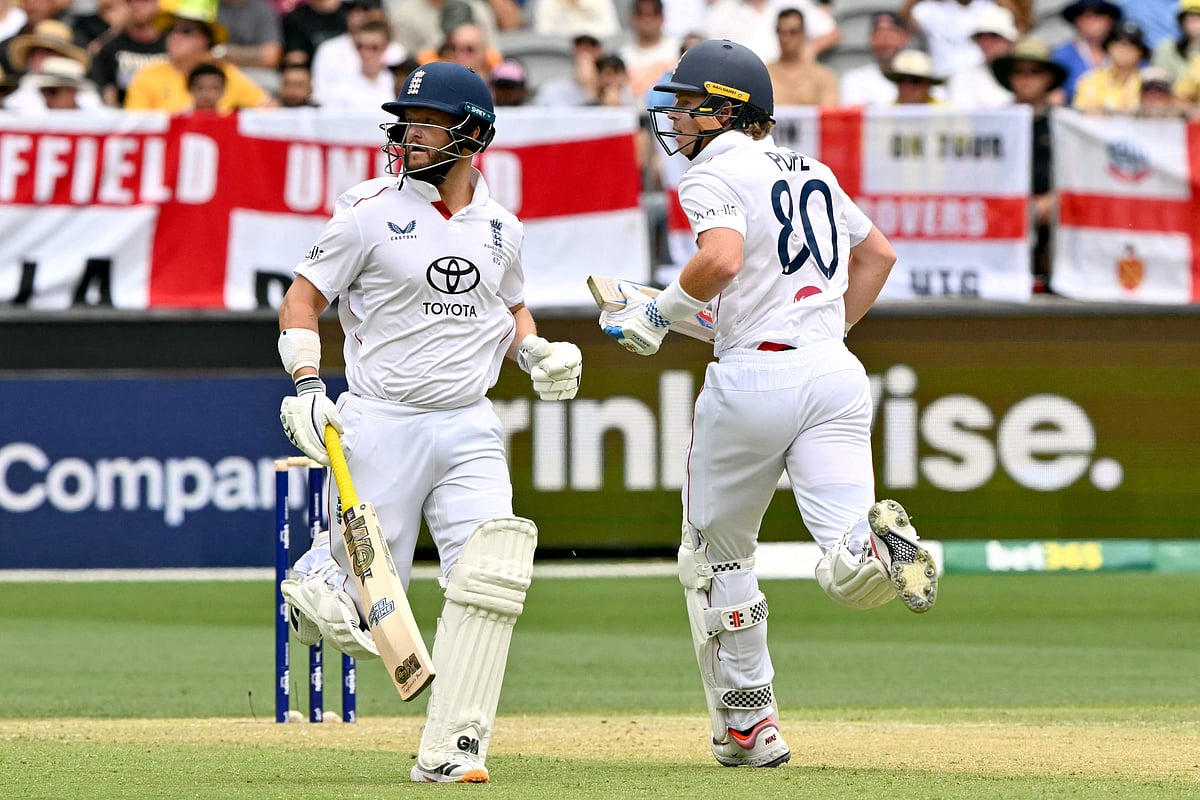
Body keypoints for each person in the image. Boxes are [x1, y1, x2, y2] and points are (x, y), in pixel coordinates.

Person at [602, 38, 938, 769]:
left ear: (727, 110)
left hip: (753, 380)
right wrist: (824, 327)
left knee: (716, 557)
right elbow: (878, 253)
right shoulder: (812, 166)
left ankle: (752, 724)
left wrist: (657, 318)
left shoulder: (715, 172)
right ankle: (878, 546)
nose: (678, 121)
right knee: (846, 562)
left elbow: (721, 259)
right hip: (834, 370)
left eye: (690, 107)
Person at [275, 60, 582, 784]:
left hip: (469, 426)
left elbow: (506, 307)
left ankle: (453, 748)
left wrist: (534, 351)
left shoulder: (503, 227)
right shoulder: (366, 209)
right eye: (406, 124)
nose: (408, 137)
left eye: (427, 125)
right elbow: (300, 302)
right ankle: (317, 575)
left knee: (490, 581)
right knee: (355, 602)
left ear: (473, 134)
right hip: (381, 421)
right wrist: (308, 384)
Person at [990, 37, 1067, 291]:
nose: (1026, 78)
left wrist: (1054, 200)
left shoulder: (1064, 123)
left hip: (1052, 215)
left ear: (1048, 79)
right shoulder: (994, 123)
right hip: (1001, 214)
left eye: (1035, 72)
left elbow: (1078, 173)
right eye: (1020, 72)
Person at [123, 0, 270, 111]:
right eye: (171, 30)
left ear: (205, 39)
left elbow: (268, 108)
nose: (175, 36)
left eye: (186, 31)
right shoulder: (148, 75)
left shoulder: (226, 73)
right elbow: (135, 126)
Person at [90, 0, 168, 106]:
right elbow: (107, 90)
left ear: (157, 5)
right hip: (124, 115)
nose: (137, 6)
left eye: (144, 1)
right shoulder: (111, 48)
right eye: (131, 1)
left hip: (166, 112)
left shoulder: (171, 45)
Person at [945, 4, 1017, 109]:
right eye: (981, 36)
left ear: (1009, 41)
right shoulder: (964, 75)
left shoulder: (1028, 72)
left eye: (994, 36)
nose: (986, 42)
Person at [1051, 0, 1122, 105]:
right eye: (1081, 13)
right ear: (1075, 21)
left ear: (1111, 20)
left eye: (1099, 12)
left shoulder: (1129, 53)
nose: (1090, 18)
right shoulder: (1060, 57)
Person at [840, 11, 916, 108]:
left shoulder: (922, 81)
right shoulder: (854, 79)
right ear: (871, 39)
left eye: (891, 34)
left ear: (904, 38)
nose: (885, 41)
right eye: (879, 34)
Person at [1073, 19, 1150, 113]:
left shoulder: (1151, 82)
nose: (1124, 50)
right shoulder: (1090, 80)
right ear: (1108, 48)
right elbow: (1081, 115)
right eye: (1118, 44)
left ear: (1141, 53)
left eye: (1131, 45)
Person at [765, 6, 837, 107]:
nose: (785, 38)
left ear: (803, 34)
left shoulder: (823, 77)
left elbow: (828, 115)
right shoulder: (765, 76)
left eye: (793, 32)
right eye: (781, 32)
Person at [1150, 0, 1200, 82]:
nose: (1195, 24)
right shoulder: (1167, 49)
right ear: (1181, 22)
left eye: (1198, 18)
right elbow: (1157, 84)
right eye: (1189, 19)